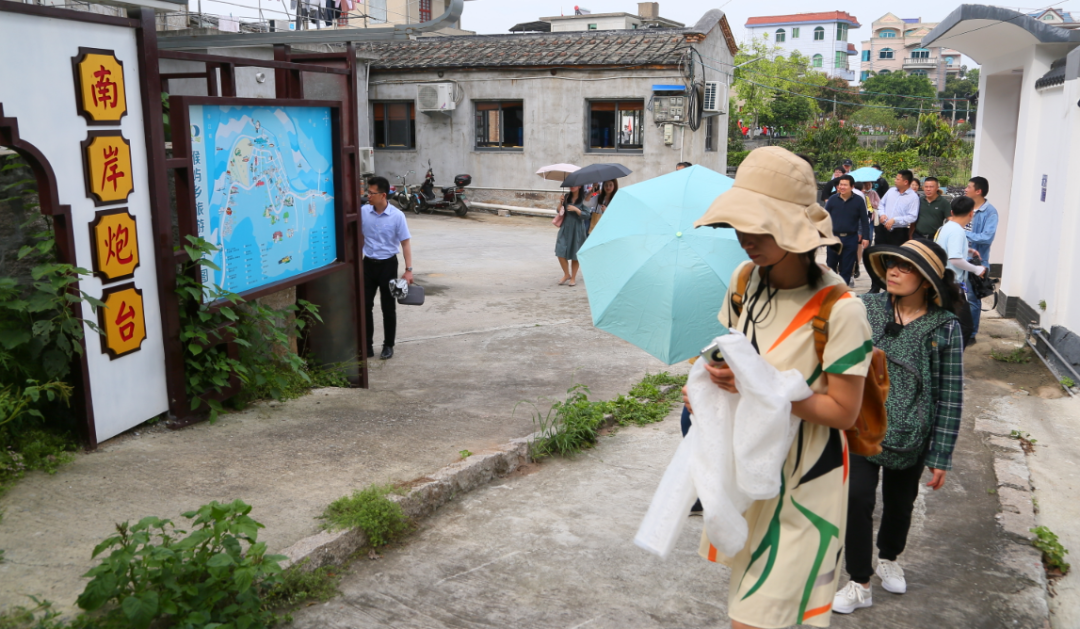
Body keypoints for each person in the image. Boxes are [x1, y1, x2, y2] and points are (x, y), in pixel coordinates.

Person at [689, 146, 873, 629]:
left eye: (760, 226)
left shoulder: (841, 310)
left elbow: (843, 412)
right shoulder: (744, 281)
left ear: (795, 229)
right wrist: (710, 384)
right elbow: (735, 358)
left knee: (754, 617)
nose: (746, 238)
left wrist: (755, 389)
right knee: (764, 611)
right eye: (740, 224)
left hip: (807, 480)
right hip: (750, 469)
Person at [834, 239, 965, 615]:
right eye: (891, 262)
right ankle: (859, 581)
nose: (893, 270)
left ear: (926, 280)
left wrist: (941, 453)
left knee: (899, 505)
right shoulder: (865, 307)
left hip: (912, 434)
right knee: (857, 498)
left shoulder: (944, 327)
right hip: (861, 426)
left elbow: (950, 395)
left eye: (905, 267)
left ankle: (889, 557)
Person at [361, 176, 413, 360]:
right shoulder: (363, 212)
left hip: (388, 265)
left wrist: (408, 270)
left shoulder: (397, 216)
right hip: (368, 265)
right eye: (367, 192)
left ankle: (388, 345)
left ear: (383, 195)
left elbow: (405, 243)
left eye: (371, 193)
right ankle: (367, 345)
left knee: (388, 307)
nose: (368, 196)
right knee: (365, 306)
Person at [935, 197, 987, 349]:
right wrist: (977, 269)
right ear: (971, 214)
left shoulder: (946, 227)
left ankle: (943, 354)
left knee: (947, 324)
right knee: (965, 327)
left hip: (943, 281)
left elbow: (947, 249)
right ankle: (950, 356)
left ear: (952, 212)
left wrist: (968, 251)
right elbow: (955, 259)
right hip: (952, 285)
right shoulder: (957, 231)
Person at [869, 170, 920, 292]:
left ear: (905, 182)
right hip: (882, 230)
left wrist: (895, 220)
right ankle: (875, 288)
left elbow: (912, 217)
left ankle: (891, 289)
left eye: (898, 179)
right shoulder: (891, 191)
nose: (895, 180)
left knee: (895, 261)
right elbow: (881, 205)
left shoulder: (913, 197)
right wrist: (882, 215)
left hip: (898, 233)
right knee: (878, 258)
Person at [964, 176, 999, 343]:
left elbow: (987, 238)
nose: (965, 189)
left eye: (969, 187)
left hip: (977, 262)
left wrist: (962, 233)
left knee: (972, 299)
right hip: (958, 258)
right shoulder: (965, 206)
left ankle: (971, 334)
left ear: (978, 191)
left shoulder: (990, 212)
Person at [824, 174, 871, 286]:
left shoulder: (858, 200)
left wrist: (866, 237)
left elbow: (864, 220)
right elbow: (824, 217)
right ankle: (831, 288)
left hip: (851, 238)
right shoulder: (832, 199)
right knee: (831, 265)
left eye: (845, 185)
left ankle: (842, 290)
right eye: (840, 184)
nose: (842, 187)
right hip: (834, 238)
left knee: (847, 267)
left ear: (852, 186)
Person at [555, 185, 590, 286]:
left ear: (579, 186)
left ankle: (573, 277)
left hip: (577, 229)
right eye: (570, 185)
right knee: (560, 250)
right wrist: (561, 202)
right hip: (565, 227)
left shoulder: (584, 199)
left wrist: (576, 210)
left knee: (575, 253)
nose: (572, 187)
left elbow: (587, 215)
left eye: (574, 185)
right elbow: (559, 211)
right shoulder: (567, 197)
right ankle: (566, 274)